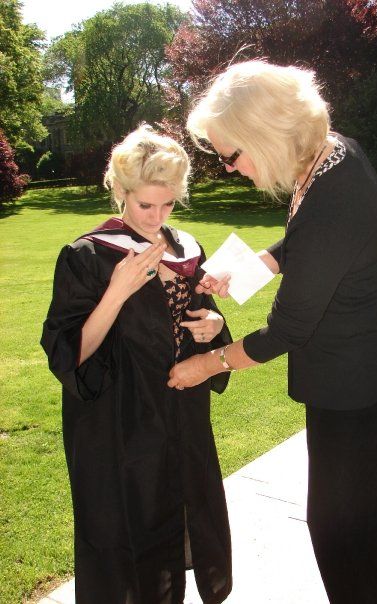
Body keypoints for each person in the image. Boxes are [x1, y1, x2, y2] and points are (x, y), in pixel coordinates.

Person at [168, 61, 377, 603]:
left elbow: (285, 331)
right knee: (355, 523)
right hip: (357, 371)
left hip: (357, 386)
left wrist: (202, 366)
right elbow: (306, 245)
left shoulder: (333, 191)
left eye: (230, 154)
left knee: (341, 531)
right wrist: (249, 271)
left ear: (263, 133)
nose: (229, 168)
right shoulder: (327, 155)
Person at [41, 124, 233, 604]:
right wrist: (117, 292)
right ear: (121, 193)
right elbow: (70, 353)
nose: (156, 216)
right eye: (145, 204)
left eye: (167, 204)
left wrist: (214, 323)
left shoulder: (187, 248)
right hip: (118, 422)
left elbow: (197, 321)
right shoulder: (87, 256)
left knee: (181, 515)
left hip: (180, 413)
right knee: (125, 532)